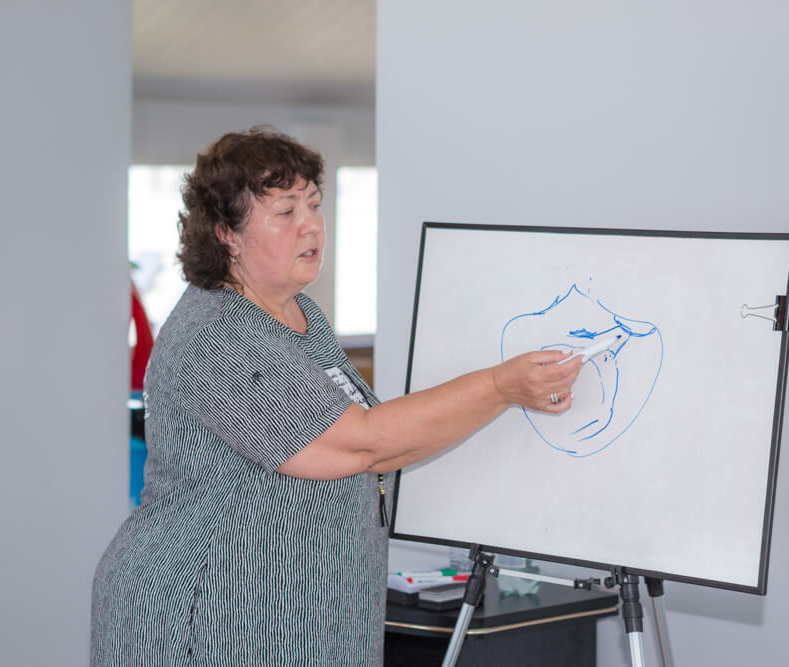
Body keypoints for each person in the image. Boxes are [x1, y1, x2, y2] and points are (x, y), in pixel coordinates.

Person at [91, 127, 582, 666]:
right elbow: (358, 445)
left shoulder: (301, 315)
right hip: (202, 614)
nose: (312, 225)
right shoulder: (217, 335)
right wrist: (499, 387)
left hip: (293, 610)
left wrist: (501, 395)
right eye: (286, 211)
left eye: (315, 204)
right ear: (226, 234)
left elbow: (380, 445)